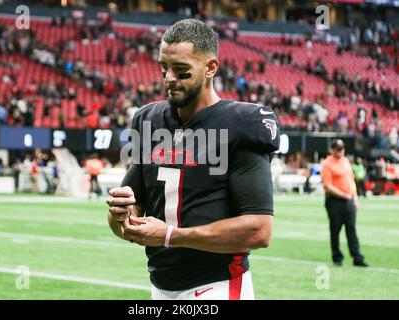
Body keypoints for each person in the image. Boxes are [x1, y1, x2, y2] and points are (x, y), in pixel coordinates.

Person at [106, 19, 280, 300]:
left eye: (181, 71)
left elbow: (259, 230)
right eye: (164, 68)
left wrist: (170, 235)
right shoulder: (147, 120)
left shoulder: (241, 124)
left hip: (217, 285)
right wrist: (120, 216)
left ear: (211, 67)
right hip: (160, 286)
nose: (169, 78)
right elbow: (127, 218)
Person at [321, 139, 368, 267]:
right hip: (334, 201)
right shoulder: (327, 164)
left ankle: (357, 257)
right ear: (332, 149)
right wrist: (344, 195)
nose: (340, 150)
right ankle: (337, 257)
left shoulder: (346, 161)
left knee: (351, 229)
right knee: (335, 230)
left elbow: (351, 181)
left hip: (349, 200)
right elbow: (328, 186)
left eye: (342, 148)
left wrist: (355, 199)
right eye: (338, 148)